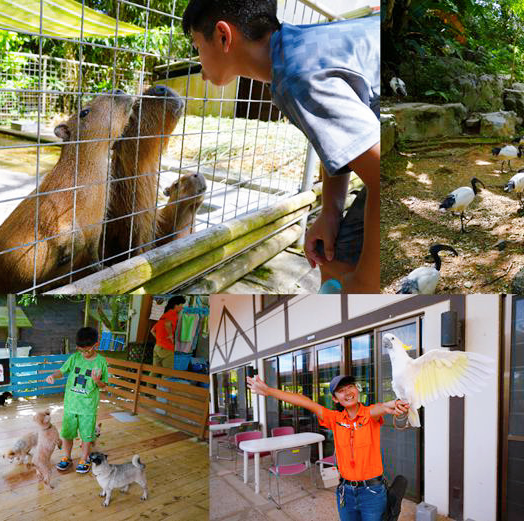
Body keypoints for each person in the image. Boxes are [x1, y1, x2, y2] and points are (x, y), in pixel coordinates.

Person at [182, 0, 380, 293]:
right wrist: (330, 211)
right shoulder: (298, 46)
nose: (199, 64)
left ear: (223, 36)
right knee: (335, 255)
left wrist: (365, 283)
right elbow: (338, 141)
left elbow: (381, 179)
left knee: (339, 270)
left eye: (197, 46)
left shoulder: (297, 77)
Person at [246, 373, 409, 521]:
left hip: (372, 493)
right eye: (341, 390)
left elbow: (382, 407)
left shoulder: (369, 414)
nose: (347, 392)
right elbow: (305, 402)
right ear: (335, 399)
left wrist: (393, 404)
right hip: (346, 492)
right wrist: (268, 391)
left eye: (350, 387)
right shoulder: (335, 419)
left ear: (357, 390)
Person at [44, 326, 110, 474]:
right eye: (81, 350)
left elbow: (104, 386)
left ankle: (84, 458)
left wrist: (97, 380)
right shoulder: (74, 358)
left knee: (87, 435)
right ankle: (66, 457)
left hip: (88, 407)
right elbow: (62, 371)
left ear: (96, 345)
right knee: (67, 433)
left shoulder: (101, 362)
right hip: (71, 405)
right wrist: (53, 376)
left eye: (87, 350)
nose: (84, 354)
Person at [152, 296, 185, 369]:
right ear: (176, 305)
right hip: (167, 348)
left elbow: (152, 331)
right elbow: (167, 324)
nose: (182, 307)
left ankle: (148, 381)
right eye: (181, 305)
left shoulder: (164, 315)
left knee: (155, 371)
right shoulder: (173, 314)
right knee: (167, 374)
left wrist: (159, 339)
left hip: (157, 347)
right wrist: (170, 336)